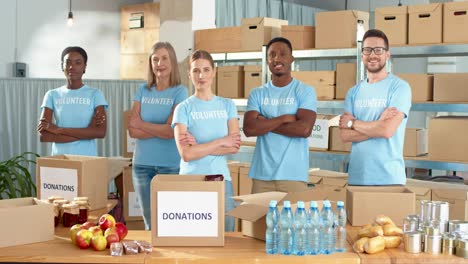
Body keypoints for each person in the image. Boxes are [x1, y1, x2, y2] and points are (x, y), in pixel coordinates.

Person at [172, 50, 240, 232]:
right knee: (194, 237)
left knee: (226, 236)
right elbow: (186, 154)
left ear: (214, 71)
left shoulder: (227, 105)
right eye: (195, 71)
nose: (201, 76)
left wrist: (199, 147)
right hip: (190, 180)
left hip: (221, 179)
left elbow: (234, 146)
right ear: (189, 74)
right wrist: (220, 142)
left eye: (206, 70)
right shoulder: (183, 109)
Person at [243, 37, 317, 193]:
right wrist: (283, 119)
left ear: (291, 59)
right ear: (267, 60)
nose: (277, 58)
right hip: (261, 175)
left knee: (292, 218)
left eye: (283, 54)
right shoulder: (257, 93)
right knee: (259, 218)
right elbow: (249, 129)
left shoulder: (304, 91)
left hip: (293, 175)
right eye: (272, 55)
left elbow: (304, 130)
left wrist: (265, 123)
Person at [339, 29, 412, 186]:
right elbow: (345, 136)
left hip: (389, 179)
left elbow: (387, 131)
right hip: (357, 178)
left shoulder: (399, 88)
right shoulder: (353, 92)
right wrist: (378, 124)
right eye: (367, 50)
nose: (372, 55)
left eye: (378, 50)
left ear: (387, 54)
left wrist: (353, 123)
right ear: (362, 54)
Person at [128, 42, 188, 230]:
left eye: (164, 58)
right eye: (155, 59)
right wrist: (159, 128)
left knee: (169, 223)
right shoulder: (142, 90)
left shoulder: (180, 91)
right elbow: (132, 130)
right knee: (150, 223)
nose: (159, 63)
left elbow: (171, 132)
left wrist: (143, 125)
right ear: (150, 63)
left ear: (172, 62)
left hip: (170, 166)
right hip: (141, 166)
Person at [38, 46, 107, 156]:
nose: (72, 67)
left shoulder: (95, 94)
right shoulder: (51, 95)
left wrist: (59, 130)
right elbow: (44, 136)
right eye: (68, 62)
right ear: (62, 66)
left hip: (87, 160)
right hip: (59, 159)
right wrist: (86, 132)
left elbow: (100, 132)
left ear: (85, 67)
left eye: (78, 63)